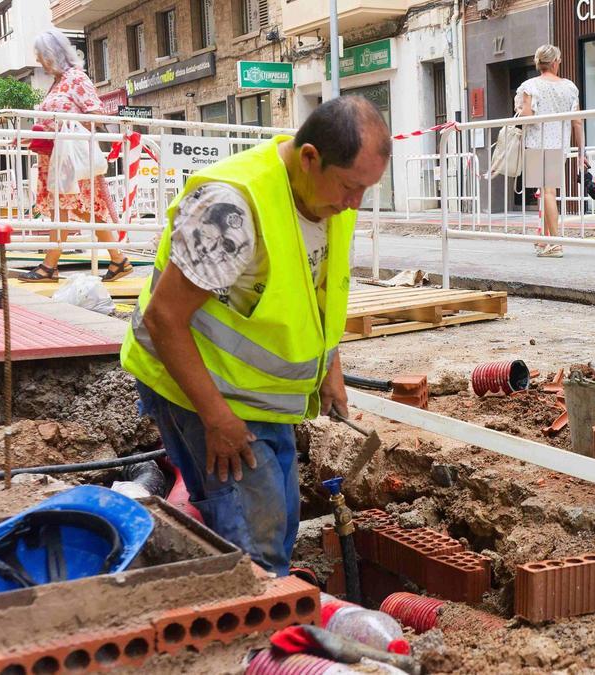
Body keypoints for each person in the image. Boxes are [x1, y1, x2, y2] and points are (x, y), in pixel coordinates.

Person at [121, 97, 392, 576]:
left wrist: (329, 370)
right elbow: (164, 318)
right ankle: (254, 641)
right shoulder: (231, 208)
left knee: (280, 516)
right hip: (201, 392)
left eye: (366, 189)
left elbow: (316, 292)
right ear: (309, 157)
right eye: (351, 186)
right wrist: (217, 420)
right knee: (255, 546)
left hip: (260, 400)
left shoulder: (329, 200)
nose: (355, 203)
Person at [20, 29, 131, 283]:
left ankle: (50, 267)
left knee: (75, 209)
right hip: (58, 156)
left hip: (70, 156)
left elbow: (96, 114)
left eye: (41, 56)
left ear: (52, 54)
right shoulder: (58, 82)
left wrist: (66, 128)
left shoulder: (76, 78)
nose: (39, 61)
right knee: (80, 210)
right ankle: (118, 259)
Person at [517, 44, 585, 258]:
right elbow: (577, 122)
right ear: (555, 62)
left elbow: (526, 115)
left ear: (539, 63)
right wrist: (582, 151)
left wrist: (518, 108)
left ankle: (554, 242)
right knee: (548, 192)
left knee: (545, 193)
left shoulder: (530, 86)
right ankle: (545, 239)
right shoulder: (569, 87)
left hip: (537, 143)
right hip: (559, 144)